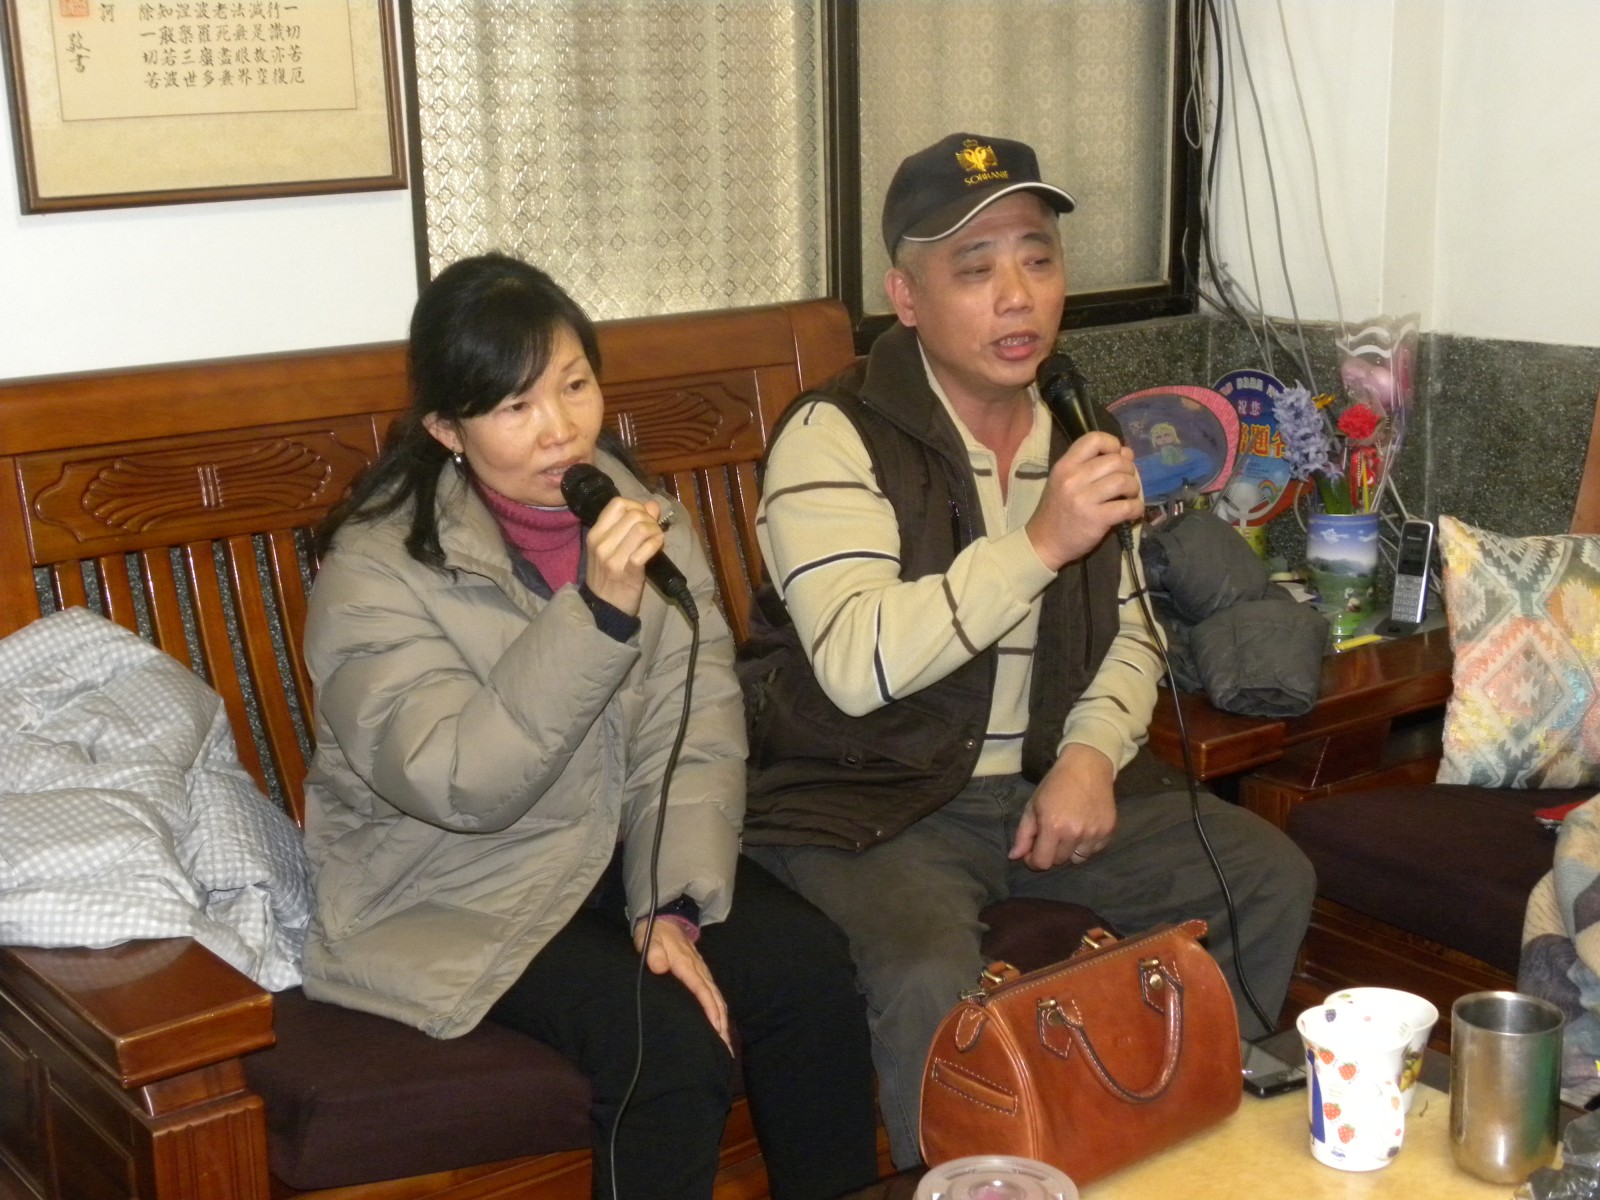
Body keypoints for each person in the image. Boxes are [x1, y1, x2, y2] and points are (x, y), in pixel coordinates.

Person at [742, 132, 1317, 1169]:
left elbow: (1133, 624)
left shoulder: (1075, 427)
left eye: (1037, 259)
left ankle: (1175, 1156)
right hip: (872, 797)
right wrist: (1040, 542)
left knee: (1260, 874)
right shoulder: (833, 436)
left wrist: (1091, 757)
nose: (1017, 296)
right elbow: (855, 664)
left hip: (1038, 783)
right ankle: (962, 1184)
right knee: (926, 975)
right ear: (906, 297)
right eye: (975, 270)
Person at [297, 252, 879, 1200]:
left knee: (807, 974)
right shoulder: (373, 572)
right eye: (514, 405)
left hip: (609, 848)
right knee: (667, 1047)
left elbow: (694, 731)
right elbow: (460, 783)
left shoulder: (639, 516)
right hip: (447, 881)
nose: (559, 428)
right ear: (446, 429)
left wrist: (671, 900)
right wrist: (599, 614)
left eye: (574, 386)